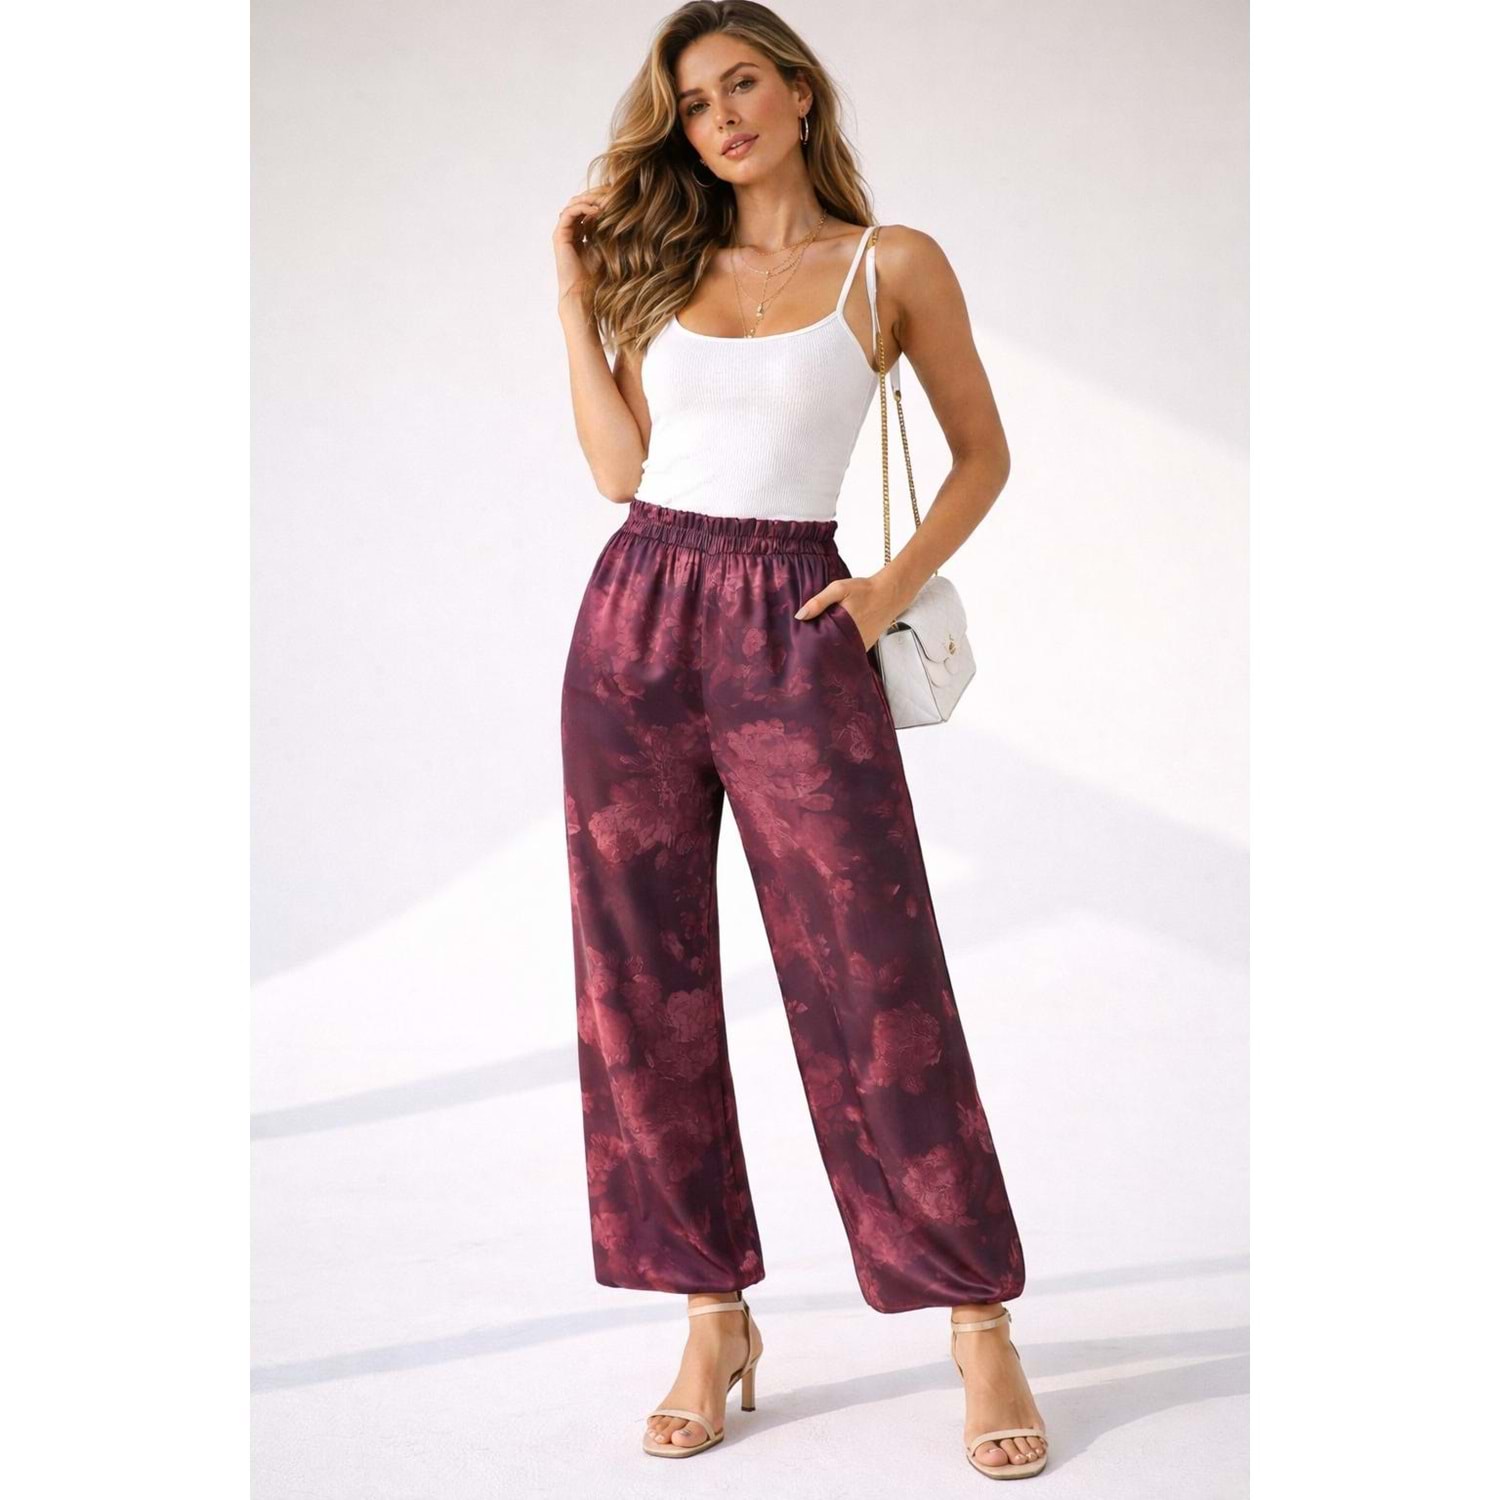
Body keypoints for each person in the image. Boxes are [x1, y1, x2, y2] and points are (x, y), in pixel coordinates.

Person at [552, 1, 1047, 1478]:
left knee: (873, 973)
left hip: (795, 621)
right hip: (634, 616)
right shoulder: (667, 269)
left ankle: (978, 1320)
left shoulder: (892, 265)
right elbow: (619, 471)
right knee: (638, 975)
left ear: (799, 91)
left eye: (742, 83)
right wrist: (571, 294)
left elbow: (983, 451)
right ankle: (712, 1315)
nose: (723, 118)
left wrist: (888, 586)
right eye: (695, 103)